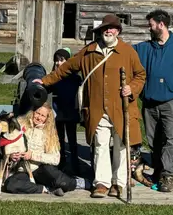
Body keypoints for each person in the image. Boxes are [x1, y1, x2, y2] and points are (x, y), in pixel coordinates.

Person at [40, 14, 145, 198]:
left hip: (121, 108)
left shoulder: (128, 52)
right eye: (105, 28)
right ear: (100, 31)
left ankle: (118, 183)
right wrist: (43, 81)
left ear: (118, 31)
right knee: (100, 145)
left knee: (121, 146)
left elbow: (140, 75)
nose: (109, 31)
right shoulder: (88, 52)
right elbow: (65, 69)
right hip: (97, 109)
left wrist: (131, 88)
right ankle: (102, 183)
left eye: (112, 28)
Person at [134, 9, 173, 193]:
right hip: (150, 102)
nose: (148, 28)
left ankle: (168, 176)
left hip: (171, 101)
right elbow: (124, 52)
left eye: (150, 24)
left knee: (170, 138)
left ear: (161, 25)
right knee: (153, 140)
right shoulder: (144, 48)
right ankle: (158, 170)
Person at [3, 102, 77, 196]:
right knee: (10, 184)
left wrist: (33, 155)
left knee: (65, 183)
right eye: (37, 113)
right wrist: (10, 155)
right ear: (32, 112)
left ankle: (80, 183)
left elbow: (55, 159)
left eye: (43, 116)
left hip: (41, 169)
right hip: (23, 170)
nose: (39, 117)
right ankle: (44, 188)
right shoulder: (20, 124)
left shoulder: (49, 133)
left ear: (47, 118)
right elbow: (4, 143)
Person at [48, 47, 81, 174]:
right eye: (56, 60)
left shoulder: (74, 78)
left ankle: (75, 164)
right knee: (59, 140)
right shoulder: (54, 77)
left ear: (67, 61)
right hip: (58, 113)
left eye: (61, 60)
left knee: (72, 140)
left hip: (71, 112)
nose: (58, 63)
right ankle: (61, 162)